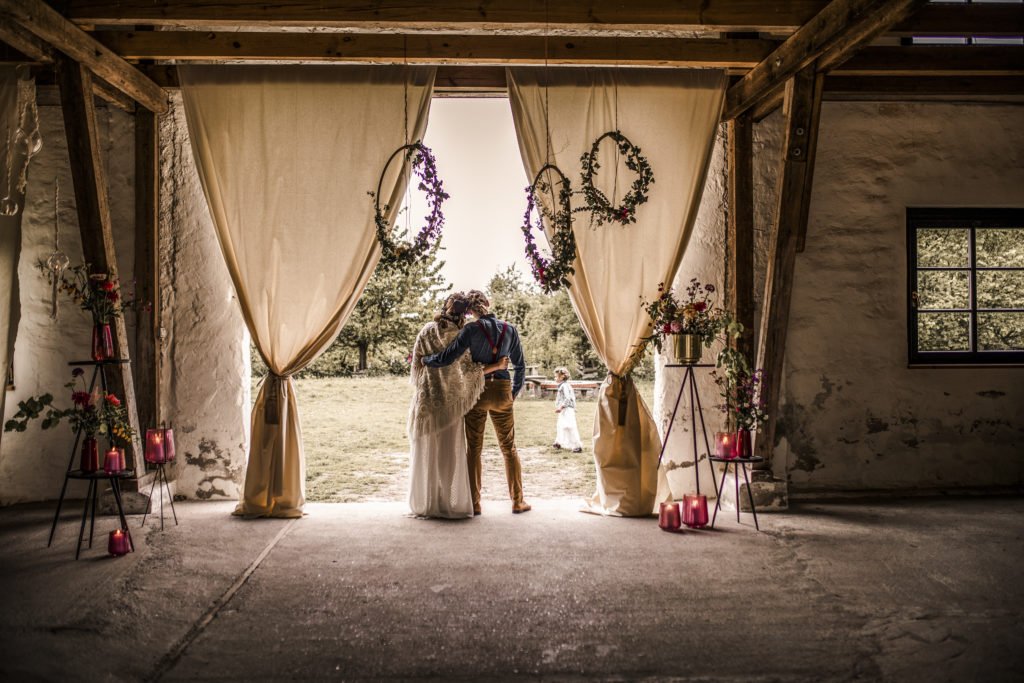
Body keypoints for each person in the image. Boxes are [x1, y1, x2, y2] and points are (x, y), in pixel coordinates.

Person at [422, 289, 531, 515]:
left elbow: (448, 357)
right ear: (488, 304)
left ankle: (475, 502)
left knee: (474, 449)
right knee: (509, 448)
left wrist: (426, 359)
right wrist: (513, 393)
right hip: (502, 391)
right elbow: (520, 366)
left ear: (470, 310)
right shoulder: (510, 329)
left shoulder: (470, 330)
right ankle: (518, 501)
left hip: (477, 392)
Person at [408, 293, 509, 519]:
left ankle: (426, 502)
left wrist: (427, 366)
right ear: (464, 313)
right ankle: (447, 502)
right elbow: (470, 371)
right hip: (450, 404)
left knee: (427, 452)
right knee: (448, 454)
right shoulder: (459, 335)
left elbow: (417, 365)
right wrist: (496, 366)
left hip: (426, 401)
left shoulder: (425, 331)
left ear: (445, 307)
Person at [552, 367, 583, 453]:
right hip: (565, 409)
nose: (555, 378)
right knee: (561, 425)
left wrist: (561, 407)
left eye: (556, 376)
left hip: (566, 409)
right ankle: (558, 442)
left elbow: (568, 398)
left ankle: (577, 446)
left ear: (561, 377)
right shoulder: (564, 385)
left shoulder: (564, 386)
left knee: (569, 426)